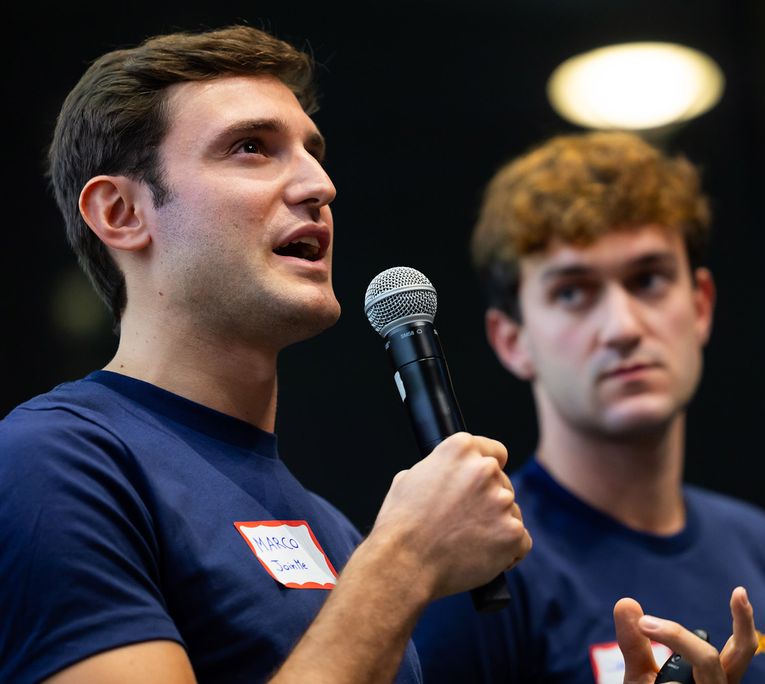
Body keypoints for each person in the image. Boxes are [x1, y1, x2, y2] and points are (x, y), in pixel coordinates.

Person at [0, 25, 535, 683]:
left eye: (314, 151)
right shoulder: (50, 462)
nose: (320, 184)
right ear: (120, 213)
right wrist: (404, 565)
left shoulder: (337, 534)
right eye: (252, 148)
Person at [413, 132, 765, 683]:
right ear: (512, 340)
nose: (623, 328)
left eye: (649, 280)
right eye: (573, 292)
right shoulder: (480, 575)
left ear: (701, 305)